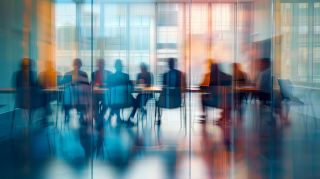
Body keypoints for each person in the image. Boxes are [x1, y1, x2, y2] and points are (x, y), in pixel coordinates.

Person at [156, 58, 186, 125]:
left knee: (158, 101)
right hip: (177, 101)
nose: (170, 64)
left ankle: (158, 118)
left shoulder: (165, 75)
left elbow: (163, 88)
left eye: (170, 63)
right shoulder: (180, 74)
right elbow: (183, 88)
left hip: (167, 101)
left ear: (168, 65)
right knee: (159, 100)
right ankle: (159, 118)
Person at [107, 59, 135, 127]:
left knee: (114, 99)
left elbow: (108, 88)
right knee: (137, 102)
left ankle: (115, 115)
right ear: (122, 66)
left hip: (113, 101)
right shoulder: (126, 76)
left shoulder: (110, 77)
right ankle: (129, 118)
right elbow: (131, 89)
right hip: (126, 100)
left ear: (115, 67)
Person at [62, 58, 90, 124]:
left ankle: (81, 115)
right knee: (67, 95)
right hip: (71, 94)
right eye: (76, 64)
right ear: (73, 65)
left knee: (82, 97)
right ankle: (67, 114)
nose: (77, 66)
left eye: (78, 64)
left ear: (81, 65)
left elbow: (87, 85)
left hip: (80, 94)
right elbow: (64, 85)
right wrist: (71, 83)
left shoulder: (84, 74)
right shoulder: (68, 74)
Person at [91, 59, 112, 129]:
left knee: (106, 102)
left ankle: (100, 116)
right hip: (96, 93)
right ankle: (97, 117)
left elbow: (111, 84)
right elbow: (91, 84)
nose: (100, 65)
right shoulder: (94, 73)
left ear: (104, 64)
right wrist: (93, 84)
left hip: (105, 93)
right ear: (97, 65)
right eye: (99, 63)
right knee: (94, 101)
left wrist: (105, 85)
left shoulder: (109, 73)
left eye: (102, 63)